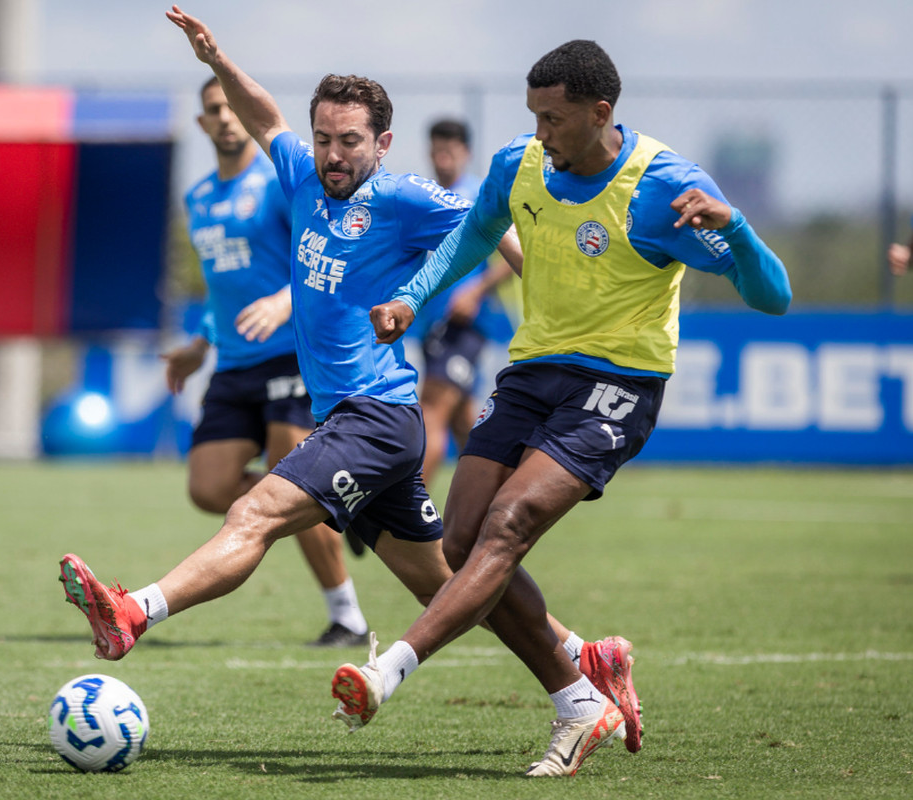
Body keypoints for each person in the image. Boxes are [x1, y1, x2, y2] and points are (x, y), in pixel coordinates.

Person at [60, 8, 638, 777]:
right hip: (351, 419)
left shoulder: (403, 200)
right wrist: (218, 60)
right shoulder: (300, 174)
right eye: (324, 139)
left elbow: (492, 223)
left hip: (377, 417)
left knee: (255, 512)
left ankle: (134, 612)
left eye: (351, 141)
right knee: (455, 585)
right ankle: (584, 670)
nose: (334, 155)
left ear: (383, 144)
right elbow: (265, 116)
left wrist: (555, 292)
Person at [334, 39, 791, 777]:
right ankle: (584, 685)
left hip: (619, 382)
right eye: (533, 116)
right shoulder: (520, 164)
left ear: (600, 113)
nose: (540, 133)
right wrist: (411, 299)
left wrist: (734, 227)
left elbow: (774, 297)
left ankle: (390, 671)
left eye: (553, 119)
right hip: (533, 371)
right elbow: (475, 234)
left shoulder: (662, 188)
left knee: (507, 524)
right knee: (460, 542)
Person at [162, 75, 368, 647]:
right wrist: (200, 345)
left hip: (290, 356)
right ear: (202, 123)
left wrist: (284, 301)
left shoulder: (279, 185)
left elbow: (325, 252)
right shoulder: (198, 198)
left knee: (287, 468)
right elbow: (222, 289)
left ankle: (347, 617)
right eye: (213, 109)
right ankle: (336, 503)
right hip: (233, 363)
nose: (225, 117)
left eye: (232, 107)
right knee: (208, 488)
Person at [410, 118, 516, 489]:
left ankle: (406, 507)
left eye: (449, 152)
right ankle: (492, 496)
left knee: (431, 412)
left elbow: (516, 254)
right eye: (436, 152)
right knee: (462, 422)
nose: (442, 160)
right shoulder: (426, 198)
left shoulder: (479, 197)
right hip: (432, 324)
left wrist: (476, 290)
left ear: (466, 153)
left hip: (464, 327)